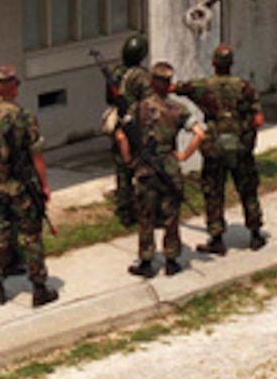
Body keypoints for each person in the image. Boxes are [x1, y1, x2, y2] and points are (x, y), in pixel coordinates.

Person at [0, 65, 58, 308]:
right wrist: (44, 186)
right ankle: (39, 288)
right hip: (22, 187)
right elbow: (36, 155)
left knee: (0, 233)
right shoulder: (24, 117)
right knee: (31, 235)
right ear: (11, 88)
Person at [114, 62, 205, 278]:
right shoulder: (178, 109)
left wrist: (129, 161)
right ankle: (172, 259)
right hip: (169, 167)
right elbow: (199, 133)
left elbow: (120, 135)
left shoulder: (138, 108)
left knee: (146, 215)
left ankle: (146, 261)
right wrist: (183, 155)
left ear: (153, 82)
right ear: (169, 83)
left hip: (146, 168)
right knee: (171, 215)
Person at [176, 43, 266, 255]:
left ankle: (216, 237)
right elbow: (258, 118)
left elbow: (179, 88)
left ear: (214, 63)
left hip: (215, 148)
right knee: (247, 189)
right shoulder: (245, 87)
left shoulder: (203, 86)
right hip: (240, 147)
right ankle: (255, 234)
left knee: (213, 191)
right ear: (231, 63)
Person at [107, 34, 153, 228]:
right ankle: (144, 207)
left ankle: (125, 210)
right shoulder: (142, 77)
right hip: (137, 126)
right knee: (143, 165)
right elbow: (149, 103)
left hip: (120, 124)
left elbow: (109, 98)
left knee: (122, 168)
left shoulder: (114, 72)